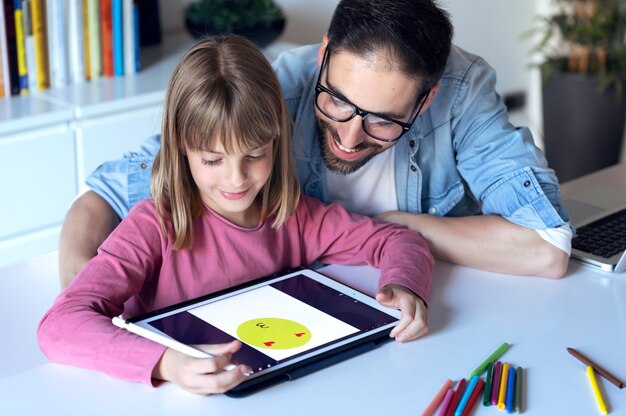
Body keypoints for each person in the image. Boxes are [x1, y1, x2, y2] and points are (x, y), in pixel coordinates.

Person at [58, 0, 572, 290]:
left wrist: (396, 229)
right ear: (325, 54)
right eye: (338, 103)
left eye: (383, 122)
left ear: (427, 97)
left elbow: (545, 249)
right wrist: (81, 290)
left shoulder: (461, 93)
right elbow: (104, 194)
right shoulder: (278, 86)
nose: (349, 138)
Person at [38, 36, 434, 396]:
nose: (236, 179)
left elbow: (399, 240)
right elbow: (60, 326)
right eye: (212, 159)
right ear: (181, 149)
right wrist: (168, 363)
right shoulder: (154, 227)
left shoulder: (294, 218)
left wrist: (404, 282)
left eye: (254, 155)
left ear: (275, 143)